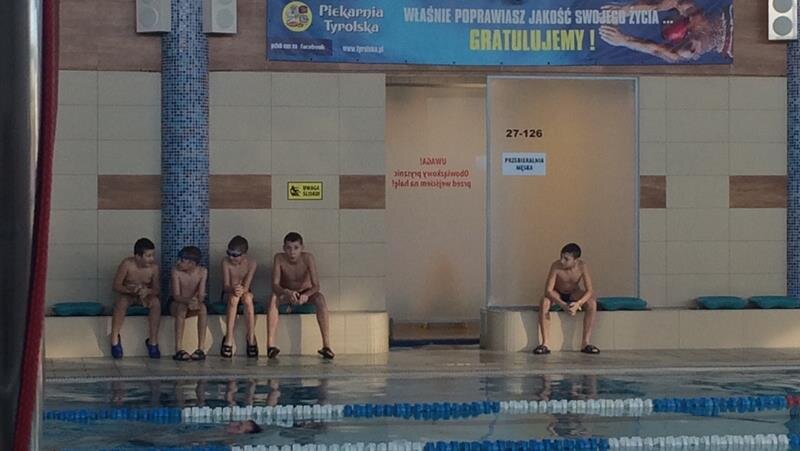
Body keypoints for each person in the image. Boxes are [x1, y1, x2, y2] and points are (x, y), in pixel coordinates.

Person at [267, 232, 334, 360]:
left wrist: (306, 295)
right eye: (288, 248)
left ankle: (326, 346)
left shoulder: (308, 258)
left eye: (296, 248)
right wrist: (287, 292)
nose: (292, 252)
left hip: (306, 292)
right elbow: (274, 285)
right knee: (273, 298)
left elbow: (316, 286)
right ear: (284, 248)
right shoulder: (279, 258)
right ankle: (271, 346)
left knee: (320, 298)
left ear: (302, 248)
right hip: (287, 294)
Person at [599, 0, 733, 63]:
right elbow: (663, 52)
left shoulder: (695, 23)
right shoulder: (697, 20)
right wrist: (625, 39)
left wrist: (627, 11)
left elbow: (668, 3)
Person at [534, 243, 600, 355]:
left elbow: (590, 290)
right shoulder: (556, 266)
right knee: (544, 302)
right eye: (561, 257)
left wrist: (578, 303)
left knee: (592, 303)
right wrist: (562, 304)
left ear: (575, 260)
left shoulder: (582, 266)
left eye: (566, 259)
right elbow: (548, 290)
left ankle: (586, 342)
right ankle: (545, 343)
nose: (562, 261)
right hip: (557, 294)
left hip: (573, 293)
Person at [109, 237, 161, 359]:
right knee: (121, 303)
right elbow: (116, 285)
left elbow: (157, 290)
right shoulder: (127, 264)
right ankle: (114, 339)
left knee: (156, 303)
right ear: (138, 256)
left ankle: (153, 341)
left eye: (152, 255)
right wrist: (130, 290)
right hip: (128, 295)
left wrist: (147, 291)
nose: (152, 259)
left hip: (144, 296)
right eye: (148, 256)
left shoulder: (154, 268)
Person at [220, 235, 258, 358]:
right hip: (229, 292)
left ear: (244, 254)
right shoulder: (225, 262)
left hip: (244, 291)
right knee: (234, 298)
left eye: (235, 255)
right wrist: (234, 289)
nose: (231, 257)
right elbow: (226, 286)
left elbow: (247, 286)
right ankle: (229, 337)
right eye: (229, 253)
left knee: (248, 298)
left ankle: (251, 337)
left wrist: (241, 290)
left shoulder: (251, 264)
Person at [170, 246, 208, 361]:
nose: (178, 262)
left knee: (203, 308)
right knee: (182, 308)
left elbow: (201, 294)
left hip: (192, 303)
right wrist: (188, 301)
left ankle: (201, 349)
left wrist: (197, 301)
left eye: (182, 260)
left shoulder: (202, 272)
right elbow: (176, 296)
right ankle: (178, 349)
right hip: (177, 304)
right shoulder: (176, 271)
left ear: (192, 263)